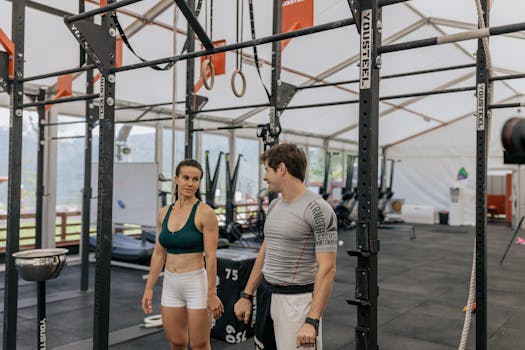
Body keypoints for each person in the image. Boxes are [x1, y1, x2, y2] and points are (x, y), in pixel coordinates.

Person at [233, 144, 338, 350]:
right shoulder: (274, 206)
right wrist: (247, 295)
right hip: (266, 296)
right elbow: (265, 251)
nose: (265, 177)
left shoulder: (318, 209)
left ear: (281, 169)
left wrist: (312, 320)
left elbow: (328, 268)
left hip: (297, 302)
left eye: (267, 170)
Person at [142, 159, 224, 350]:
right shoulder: (164, 212)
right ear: (176, 179)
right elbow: (158, 253)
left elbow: (211, 256)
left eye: (195, 179)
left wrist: (212, 293)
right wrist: (149, 287)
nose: (190, 183)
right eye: (186, 178)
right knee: (177, 342)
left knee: (199, 344)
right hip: (171, 283)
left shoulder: (205, 213)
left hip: (196, 283)